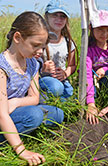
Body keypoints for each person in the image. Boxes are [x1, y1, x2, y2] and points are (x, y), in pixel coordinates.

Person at [0, 11, 64, 165]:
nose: (40, 51)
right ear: (17, 38)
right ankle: (9, 140)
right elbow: (2, 113)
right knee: (35, 115)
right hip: (2, 116)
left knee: (57, 114)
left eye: (43, 46)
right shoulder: (2, 68)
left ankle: (19, 131)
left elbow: (34, 97)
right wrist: (22, 150)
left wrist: (15, 102)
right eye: (35, 45)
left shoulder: (32, 63)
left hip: (15, 109)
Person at [86, 10, 108, 124]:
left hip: (106, 80)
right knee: (90, 77)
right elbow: (87, 74)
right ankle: (93, 100)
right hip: (92, 81)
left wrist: (104, 69)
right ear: (91, 29)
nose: (104, 34)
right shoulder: (88, 49)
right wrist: (90, 104)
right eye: (100, 30)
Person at [38, 0, 77, 101]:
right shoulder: (39, 41)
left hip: (62, 81)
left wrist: (65, 74)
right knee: (56, 87)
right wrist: (43, 70)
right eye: (55, 15)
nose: (59, 19)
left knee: (69, 95)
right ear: (46, 17)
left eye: (62, 16)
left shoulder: (68, 43)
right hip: (42, 79)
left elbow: (72, 65)